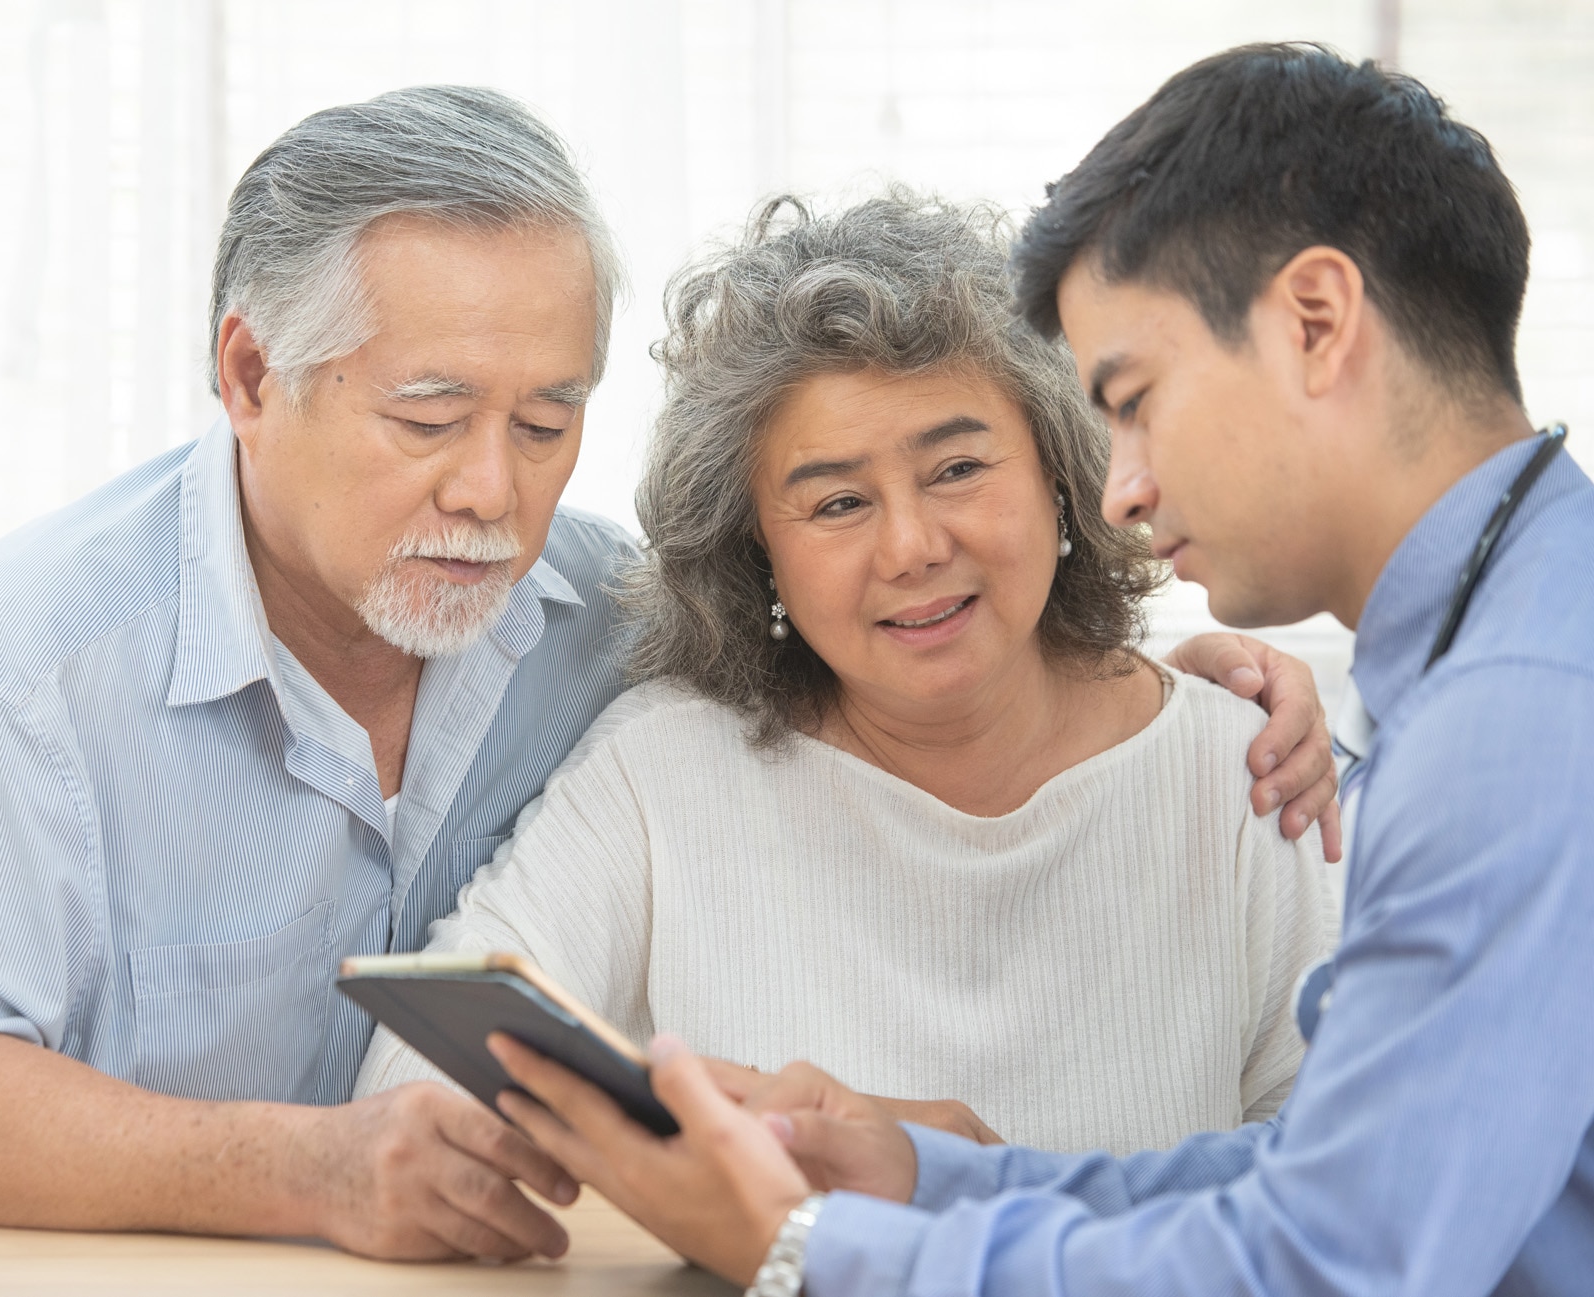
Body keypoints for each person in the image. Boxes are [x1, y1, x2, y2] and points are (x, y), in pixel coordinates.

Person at [0, 85, 1336, 1261]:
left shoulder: (611, 608)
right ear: (249, 375)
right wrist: (316, 1170)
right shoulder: (9, 666)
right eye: (430, 416)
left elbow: (930, 620)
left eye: (548, 423)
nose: (494, 492)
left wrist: (1212, 685)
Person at [489, 43, 1594, 1296]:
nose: (1124, 484)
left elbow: (1327, 1264)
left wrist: (807, 1251)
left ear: (1316, 323)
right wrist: (929, 1176)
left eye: (1132, 397)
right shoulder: (1521, 648)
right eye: (837, 502)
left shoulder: (1515, 717)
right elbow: (1317, 1175)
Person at [357, 194, 1339, 1157]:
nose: (911, 547)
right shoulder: (663, 771)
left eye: (958, 468)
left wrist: (941, 1180)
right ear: (760, 555)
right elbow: (417, 1097)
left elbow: (1364, 1193)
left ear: (1057, 473)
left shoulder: (1245, 772)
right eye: (835, 503)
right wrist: (706, 1130)